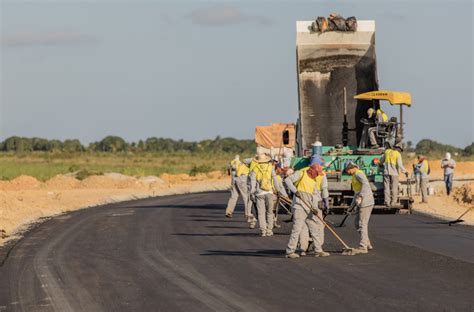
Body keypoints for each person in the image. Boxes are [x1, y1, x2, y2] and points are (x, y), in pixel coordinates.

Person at [284, 163, 330, 258]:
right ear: (311, 170)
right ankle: (290, 251)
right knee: (297, 229)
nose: (318, 175)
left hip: (309, 207)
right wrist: (295, 191)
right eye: (317, 173)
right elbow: (287, 180)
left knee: (315, 228)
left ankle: (318, 250)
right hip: (299, 206)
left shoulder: (314, 181)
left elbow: (313, 196)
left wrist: (314, 208)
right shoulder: (300, 174)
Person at [296, 156, 330, 257]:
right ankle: (318, 248)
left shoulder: (302, 171)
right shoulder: (322, 174)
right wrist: (326, 203)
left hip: (302, 201)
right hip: (316, 202)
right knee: (318, 225)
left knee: (303, 226)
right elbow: (324, 190)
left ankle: (302, 248)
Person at [249, 153, 285, 237]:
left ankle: (263, 231)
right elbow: (275, 180)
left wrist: (252, 193)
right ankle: (269, 230)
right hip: (269, 193)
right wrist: (278, 190)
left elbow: (252, 183)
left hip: (259, 193)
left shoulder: (254, 169)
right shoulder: (270, 167)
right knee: (270, 212)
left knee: (261, 213)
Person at [344, 162, 374, 254]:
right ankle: (367, 243)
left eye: (347, 170)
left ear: (351, 168)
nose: (347, 172)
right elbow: (356, 193)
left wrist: (361, 196)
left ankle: (363, 246)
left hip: (366, 202)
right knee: (357, 223)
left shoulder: (359, 173)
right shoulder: (354, 176)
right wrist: (351, 207)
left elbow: (365, 185)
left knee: (362, 224)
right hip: (361, 202)